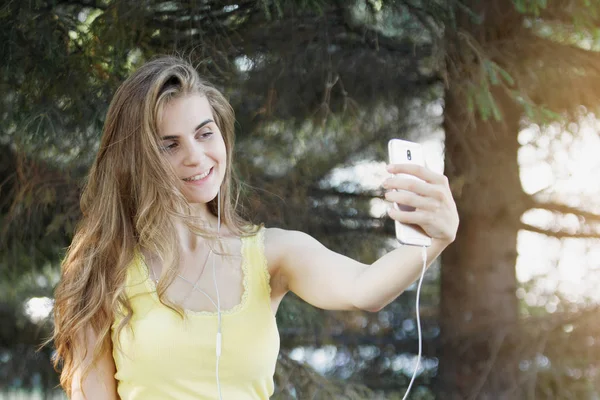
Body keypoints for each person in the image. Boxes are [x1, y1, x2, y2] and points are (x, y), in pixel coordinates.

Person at [51, 56, 459, 400]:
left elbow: (364, 288)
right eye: (169, 144)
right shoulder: (102, 268)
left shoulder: (272, 253)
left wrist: (437, 238)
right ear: (135, 158)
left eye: (204, 133)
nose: (196, 157)